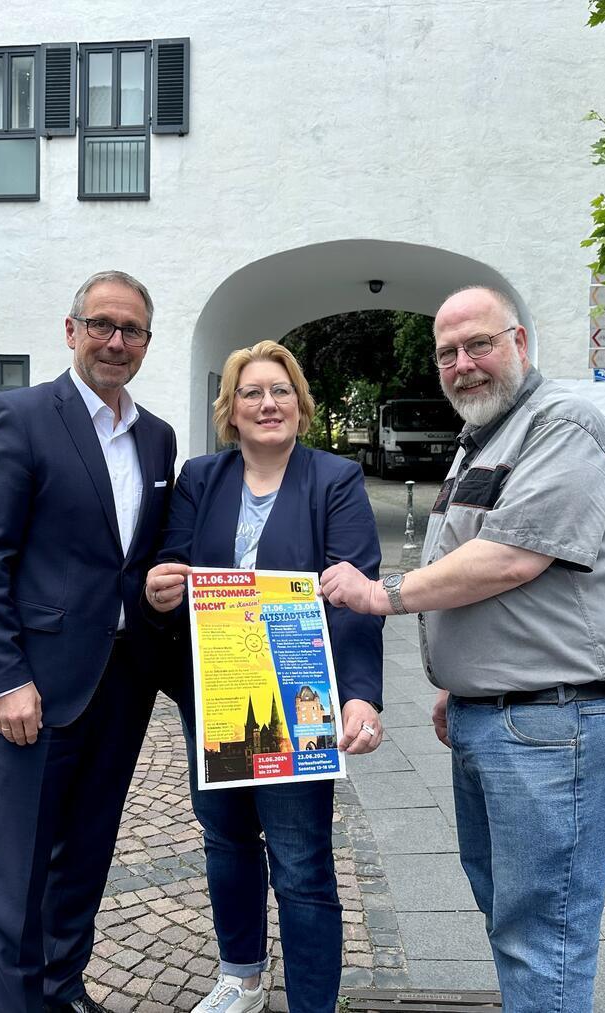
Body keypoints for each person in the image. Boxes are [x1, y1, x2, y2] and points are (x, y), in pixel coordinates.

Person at [321, 286, 605, 1013]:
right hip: (500, 713)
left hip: (552, 723)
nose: (463, 363)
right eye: (448, 352)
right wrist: (460, 676)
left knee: (546, 934)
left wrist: (384, 593)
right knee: (513, 915)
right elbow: (488, 576)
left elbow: (509, 559)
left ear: (521, 343)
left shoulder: (563, 424)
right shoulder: (488, 436)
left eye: (479, 344)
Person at [0, 270, 178, 1013]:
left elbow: (131, 559)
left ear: (147, 341)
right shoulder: (17, 416)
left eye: (132, 330)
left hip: (121, 682)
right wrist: (4, 677)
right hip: (37, 688)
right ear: (71, 328)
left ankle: (60, 985)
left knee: (85, 853)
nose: (117, 341)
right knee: (18, 870)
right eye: (103, 324)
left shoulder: (156, 438)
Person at [144, 340, 384, 1013]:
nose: (267, 402)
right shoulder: (200, 477)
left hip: (298, 696)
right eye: (252, 392)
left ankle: (312, 1003)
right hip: (218, 695)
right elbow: (174, 563)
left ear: (301, 406)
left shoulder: (334, 479)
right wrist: (162, 586)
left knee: (303, 861)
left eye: (280, 390)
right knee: (225, 837)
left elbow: (357, 596)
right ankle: (242, 977)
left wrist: (362, 694)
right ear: (232, 408)